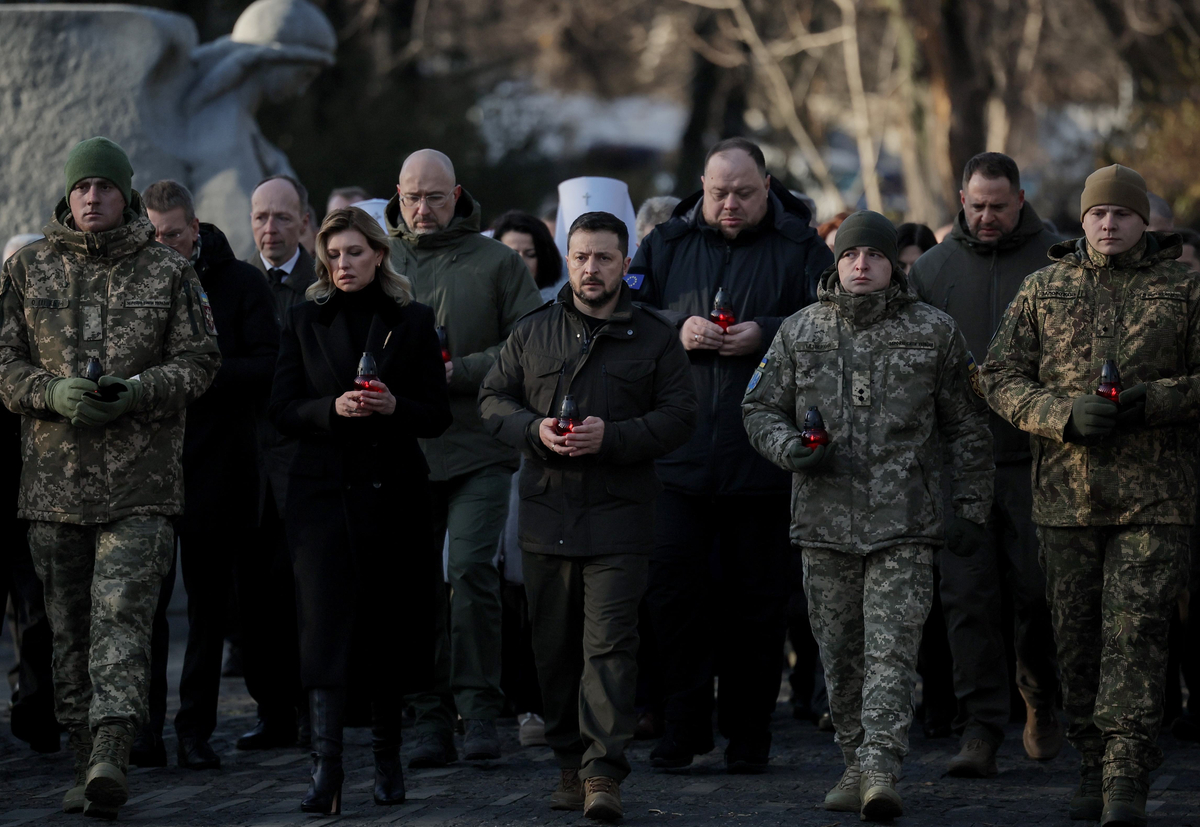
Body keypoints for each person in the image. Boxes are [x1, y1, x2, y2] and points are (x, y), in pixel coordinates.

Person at [743, 210, 992, 821]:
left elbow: (968, 427)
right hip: (823, 524)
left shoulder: (934, 332)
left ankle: (882, 769)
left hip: (905, 523)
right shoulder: (800, 332)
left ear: (891, 265)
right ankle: (855, 760)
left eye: (874, 257)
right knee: (840, 653)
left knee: (891, 650)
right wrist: (790, 450)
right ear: (836, 261)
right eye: (851, 256)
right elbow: (758, 408)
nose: (861, 265)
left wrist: (970, 509)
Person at [0, 136, 220, 818]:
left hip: (140, 487)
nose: (91, 196)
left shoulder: (166, 271)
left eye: (104, 185)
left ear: (125, 193)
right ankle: (79, 756)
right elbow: (3, 363)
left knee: (122, 618)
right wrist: (48, 392)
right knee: (67, 630)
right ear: (67, 195)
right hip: (53, 489)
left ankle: (111, 754)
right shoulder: (27, 269)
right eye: (81, 186)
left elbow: (201, 359)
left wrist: (140, 390)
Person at [982, 163, 1200, 826]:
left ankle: (1126, 775)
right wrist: (1060, 415)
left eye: (1122, 214)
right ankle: (1088, 759)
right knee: (1076, 641)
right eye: (1098, 214)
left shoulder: (1184, 288)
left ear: (1143, 221)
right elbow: (996, 377)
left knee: (1135, 635)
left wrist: (1156, 400)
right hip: (1066, 499)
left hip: (1154, 498)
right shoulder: (1044, 289)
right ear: (1083, 219)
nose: (1108, 224)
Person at [480, 211, 697, 821]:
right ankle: (568, 763)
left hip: (621, 519)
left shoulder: (654, 336)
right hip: (547, 514)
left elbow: (682, 416)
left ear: (625, 263)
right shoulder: (533, 331)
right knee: (553, 652)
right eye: (580, 257)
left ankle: (604, 772)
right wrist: (533, 428)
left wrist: (616, 437)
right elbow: (492, 400)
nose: (591, 269)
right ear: (566, 260)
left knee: (609, 646)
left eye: (604, 257)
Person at [628, 137, 833, 772]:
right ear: (702, 185)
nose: (730, 204)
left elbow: (831, 319)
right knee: (674, 598)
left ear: (766, 186)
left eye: (744, 192)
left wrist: (768, 334)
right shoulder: (667, 241)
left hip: (761, 461)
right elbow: (626, 308)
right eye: (719, 192)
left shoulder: (800, 246)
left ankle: (749, 732)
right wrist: (673, 325)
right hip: (679, 456)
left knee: (756, 605)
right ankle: (683, 725)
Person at [270, 206, 452, 814]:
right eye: (334, 254)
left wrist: (394, 406)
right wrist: (332, 410)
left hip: (393, 494)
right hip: (320, 495)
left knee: (386, 630)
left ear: (379, 254)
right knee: (322, 629)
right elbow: (283, 409)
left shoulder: (413, 320)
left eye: (354, 252)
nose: (343, 264)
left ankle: (387, 761)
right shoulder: (302, 319)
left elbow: (438, 413)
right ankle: (326, 774)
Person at [908, 152, 1064, 776]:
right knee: (967, 600)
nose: (988, 216)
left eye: (999, 205)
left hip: (1039, 461)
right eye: (977, 205)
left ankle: (1041, 697)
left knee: (1037, 593)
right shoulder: (933, 269)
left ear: (1021, 199)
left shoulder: (1057, 261)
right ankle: (980, 728)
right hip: (960, 467)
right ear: (962, 199)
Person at [385, 149, 542, 766]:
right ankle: (426, 714)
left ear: (458, 195)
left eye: (435, 197)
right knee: (413, 584)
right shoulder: (379, 259)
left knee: (472, 571)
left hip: (479, 445)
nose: (422, 209)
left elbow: (529, 342)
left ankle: (479, 710)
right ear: (397, 195)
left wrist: (456, 371)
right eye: (412, 197)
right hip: (401, 448)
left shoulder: (497, 261)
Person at [143, 179, 280, 770]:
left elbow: (268, 365)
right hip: (146, 471)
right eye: (153, 234)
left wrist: (196, 375)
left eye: (174, 233)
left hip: (217, 469)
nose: (164, 243)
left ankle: (194, 729)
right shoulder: (132, 287)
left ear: (195, 229)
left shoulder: (242, 284)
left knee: (205, 612)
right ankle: (143, 731)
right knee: (144, 610)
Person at [236, 173, 315, 751]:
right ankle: (273, 711)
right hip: (248, 468)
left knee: (309, 595)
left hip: (307, 467)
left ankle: (317, 706)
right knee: (255, 599)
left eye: (282, 217)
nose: (270, 228)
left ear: (303, 222)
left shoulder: (324, 284)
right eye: (262, 217)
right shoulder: (241, 288)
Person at [491, 208, 565, 748]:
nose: (517, 262)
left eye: (528, 252)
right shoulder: (487, 308)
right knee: (506, 589)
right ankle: (521, 703)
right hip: (495, 453)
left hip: (551, 457)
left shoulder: (560, 310)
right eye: (507, 252)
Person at [494, 210, 564, 297]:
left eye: (531, 255)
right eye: (512, 255)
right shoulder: (483, 301)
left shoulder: (561, 306)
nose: (521, 262)